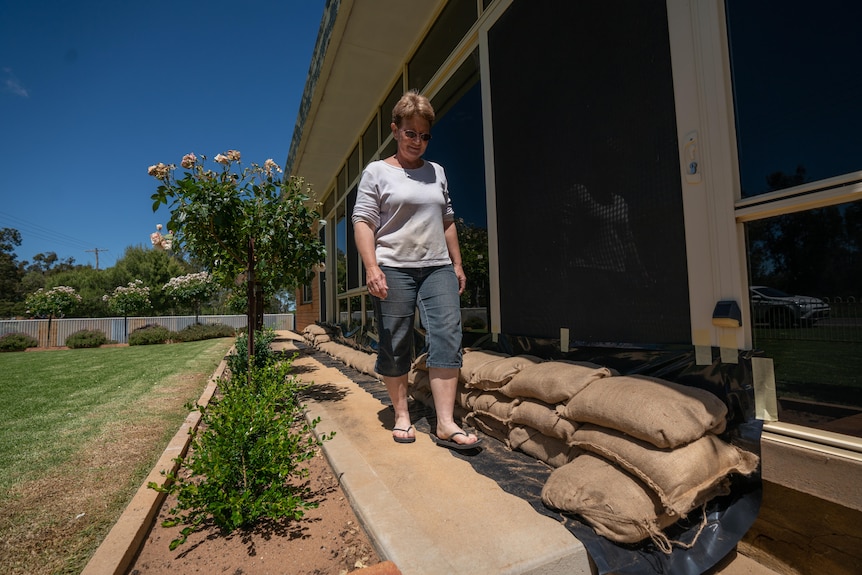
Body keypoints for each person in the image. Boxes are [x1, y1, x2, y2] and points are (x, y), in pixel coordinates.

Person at [352, 90, 481, 451]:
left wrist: (456, 263)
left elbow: (447, 219)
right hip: (393, 266)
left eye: (425, 135)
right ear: (395, 130)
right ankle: (402, 414)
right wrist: (371, 266)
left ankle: (445, 423)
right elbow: (362, 220)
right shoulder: (376, 171)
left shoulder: (436, 172)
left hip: (437, 266)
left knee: (447, 334)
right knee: (395, 341)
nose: (418, 142)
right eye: (411, 133)